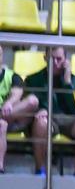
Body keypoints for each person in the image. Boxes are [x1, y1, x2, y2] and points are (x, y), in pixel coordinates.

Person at [26, 45, 75, 177]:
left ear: (65, 60)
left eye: (59, 59)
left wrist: (67, 83)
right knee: (40, 123)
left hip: (70, 120)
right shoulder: (33, 80)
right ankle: (40, 170)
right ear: (45, 58)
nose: (55, 63)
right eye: (51, 58)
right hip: (49, 120)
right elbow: (29, 103)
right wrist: (41, 109)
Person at [0, 44, 38, 174]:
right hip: (3, 122)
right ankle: (0, 167)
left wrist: (9, 103)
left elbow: (17, 93)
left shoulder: (12, 76)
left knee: (32, 101)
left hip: (10, 115)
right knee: (2, 125)